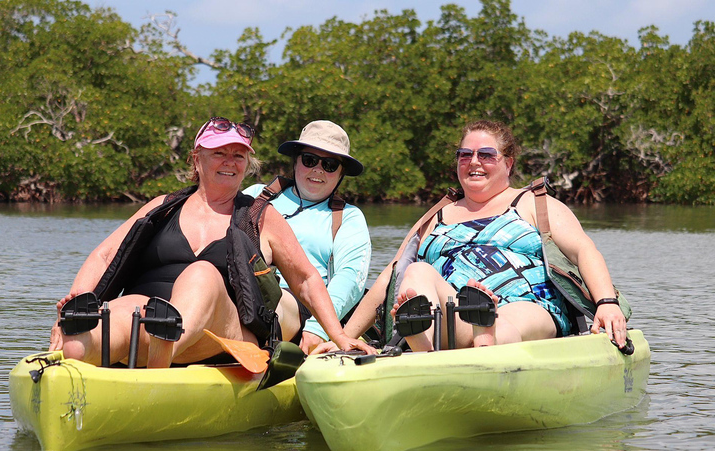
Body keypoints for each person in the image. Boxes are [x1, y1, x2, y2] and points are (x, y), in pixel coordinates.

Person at [49, 116, 375, 367]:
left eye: (238, 155)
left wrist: (338, 335)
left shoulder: (260, 214)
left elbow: (305, 279)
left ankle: (163, 349)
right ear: (196, 158)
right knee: (118, 313)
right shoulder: (163, 205)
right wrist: (68, 312)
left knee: (202, 274)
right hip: (148, 311)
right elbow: (106, 256)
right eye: (220, 153)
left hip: (221, 328)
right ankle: (79, 346)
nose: (230, 162)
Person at [343, 119, 628, 351]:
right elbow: (391, 276)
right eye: (465, 155)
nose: (474, 162)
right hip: (451, 315)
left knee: (505, 321)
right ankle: (424, 346)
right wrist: (343, 337)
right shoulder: (435, 216)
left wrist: (607, 303)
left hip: (525, 306)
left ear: (508, 163)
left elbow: (583, 250)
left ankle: (486, 336)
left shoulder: (533, 203)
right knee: (416, 271)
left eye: (486, 155)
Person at [243, 120, 371, 354]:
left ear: (341, 173)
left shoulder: (349, 218)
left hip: (298, 306)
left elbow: (350, 278)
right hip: (238, 286)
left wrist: (318, 328)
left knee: (263, 304)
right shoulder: (254, 196)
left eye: (330, 165)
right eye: (310, 160)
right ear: (296, 161)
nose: (318, 170)